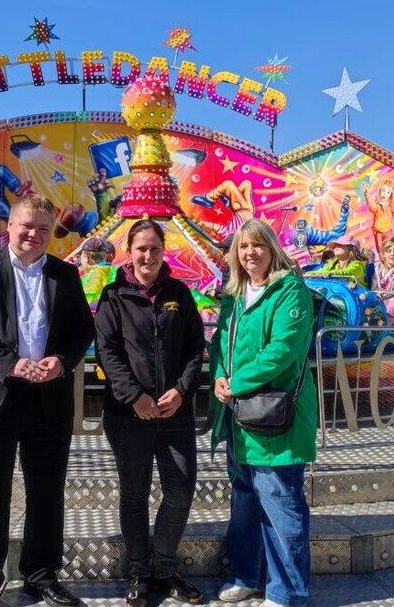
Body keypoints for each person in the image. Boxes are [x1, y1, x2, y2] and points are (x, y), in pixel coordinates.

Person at [0, 194, 94, 607]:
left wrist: (61, 362)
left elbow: (82, 329)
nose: (34, 235)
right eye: (27, 226)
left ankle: (41, 575)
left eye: (43, 229)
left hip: (48, 399)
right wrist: (10, 364)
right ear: (10, 226)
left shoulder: (65, 275)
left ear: (52, 233)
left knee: (47, 493)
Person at [93, 219, 206, 607]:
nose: (147, 255)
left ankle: (164, 569)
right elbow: (107, 352)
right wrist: (134, 397)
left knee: (180, 490)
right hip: (129, 416)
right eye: (141, 248)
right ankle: (140, 573)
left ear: (163, 251)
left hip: (175, 413)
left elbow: (195, 349)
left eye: (154, 248)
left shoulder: (179, 294)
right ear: (129, 250)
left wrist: (181, 390)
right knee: (135, 494)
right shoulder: (113, 296)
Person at [208, 218, 317, 607]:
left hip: (275, 418)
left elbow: (283, 351)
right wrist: (221, 375)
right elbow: (222, 342)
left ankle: (287, 592)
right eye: (242, 247)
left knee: (281, 504)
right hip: (240, 418)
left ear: (273, 249)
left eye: (257, 245)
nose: (250, 253)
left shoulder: (291, 292)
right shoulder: (235, 296)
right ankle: (246, 574)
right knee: (244, 502)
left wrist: (236, 381)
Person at [364, 178, 394, 253]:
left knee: (390, 248)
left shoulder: (391, 206)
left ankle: (389, 261)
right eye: (383, 190)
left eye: (388, 192)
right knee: (380, 250)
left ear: (391, 195)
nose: (384, 193)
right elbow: (371, 206)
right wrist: (367, 194)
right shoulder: (377, 206)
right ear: (380, 191)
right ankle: (382, 261)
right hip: (378, 233)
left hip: (388, 232)